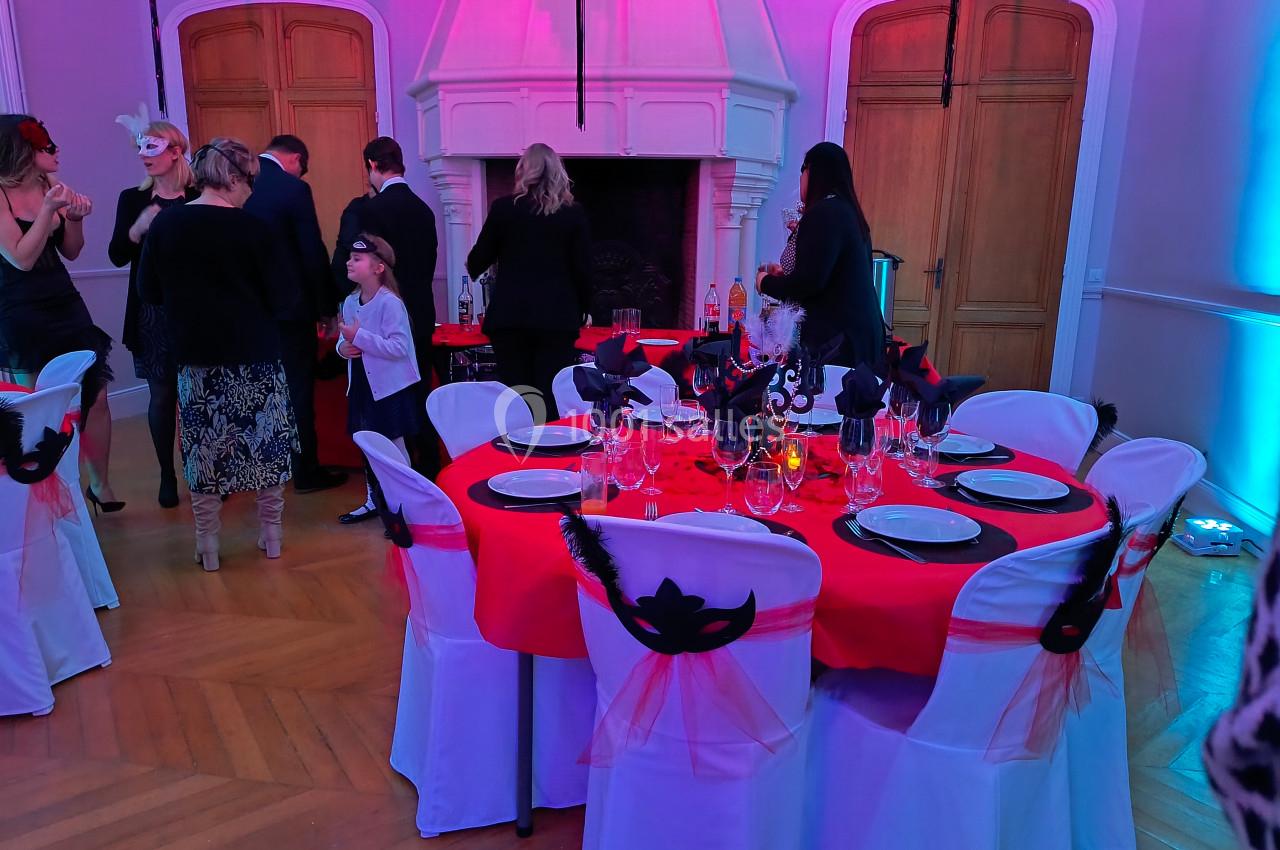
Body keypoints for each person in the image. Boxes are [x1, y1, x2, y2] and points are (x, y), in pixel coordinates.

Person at [137, 137, 298, 572]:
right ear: (230, 177)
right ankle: (272, 535)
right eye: (249, 181)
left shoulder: (167, 225)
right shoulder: (256, 229)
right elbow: (284, 299)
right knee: (267, 450)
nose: (251, 191)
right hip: (256, 354)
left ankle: (208, 545)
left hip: (196, 357)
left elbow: (149, 292)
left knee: (203, 454)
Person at [0, 114, 122, 510]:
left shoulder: (49, 185)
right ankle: (45, 491)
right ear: (23, 152)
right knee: (38, 404)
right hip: (18, 309)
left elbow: (70, 250)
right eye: (47, 146)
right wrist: (46, 211)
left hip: (64, 301)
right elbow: (20, 258)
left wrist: (74, 220)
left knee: (96, 397)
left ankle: (99, 484)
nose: (56, 152)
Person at [244, 134, 347, 494]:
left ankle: (258, 469)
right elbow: (311, 252)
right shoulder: (291, 190)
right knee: (298, 390)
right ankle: (306, 470)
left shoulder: (234, 181)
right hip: (289, 310)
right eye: (302, 169)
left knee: (253, 391)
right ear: (295, 159)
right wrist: (326, 308)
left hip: (245, 312)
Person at [108, 119, 199, 509]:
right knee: (162, 395)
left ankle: (205, 470)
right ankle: (167, 473)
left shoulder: (199, 196)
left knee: (199, 395)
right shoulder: (132, 199)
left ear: (175, 151)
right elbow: (115, 256)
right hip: (151, 312)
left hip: (197, 309)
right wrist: (138, 229)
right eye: (141, 149)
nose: (144, 157)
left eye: (153, 148)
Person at [353, 137, 440, 477]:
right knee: (419, 385)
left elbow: (370, 268)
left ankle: (394, 469)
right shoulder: (423, 209)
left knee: (388, 392)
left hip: (386, 310)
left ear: (373, 164)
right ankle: (429, 463)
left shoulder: (372, 210)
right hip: (420, 307)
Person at [755, 142, 884, 369]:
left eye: (802, 170)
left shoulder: (824, 212)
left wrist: (765, 283)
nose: (801, 178)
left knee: (828, 403)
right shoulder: (846, 210)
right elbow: (825, 273)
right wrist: (786, 275)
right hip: (860, 335)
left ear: (811, 171)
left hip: (838, 343)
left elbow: (808, 284)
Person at [335, 233, 421, 523]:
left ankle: (405, 506)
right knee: (367, 443)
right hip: (361, 384)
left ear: (378, 267)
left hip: (388, 388)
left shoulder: (390, 304)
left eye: (357, 259)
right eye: (350, 257)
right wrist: (343, 348)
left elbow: (399, 347)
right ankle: (375, 500)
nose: (349, 262)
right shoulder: (349, 301)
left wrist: (359, 337)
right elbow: (344, 341)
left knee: (393, 446)